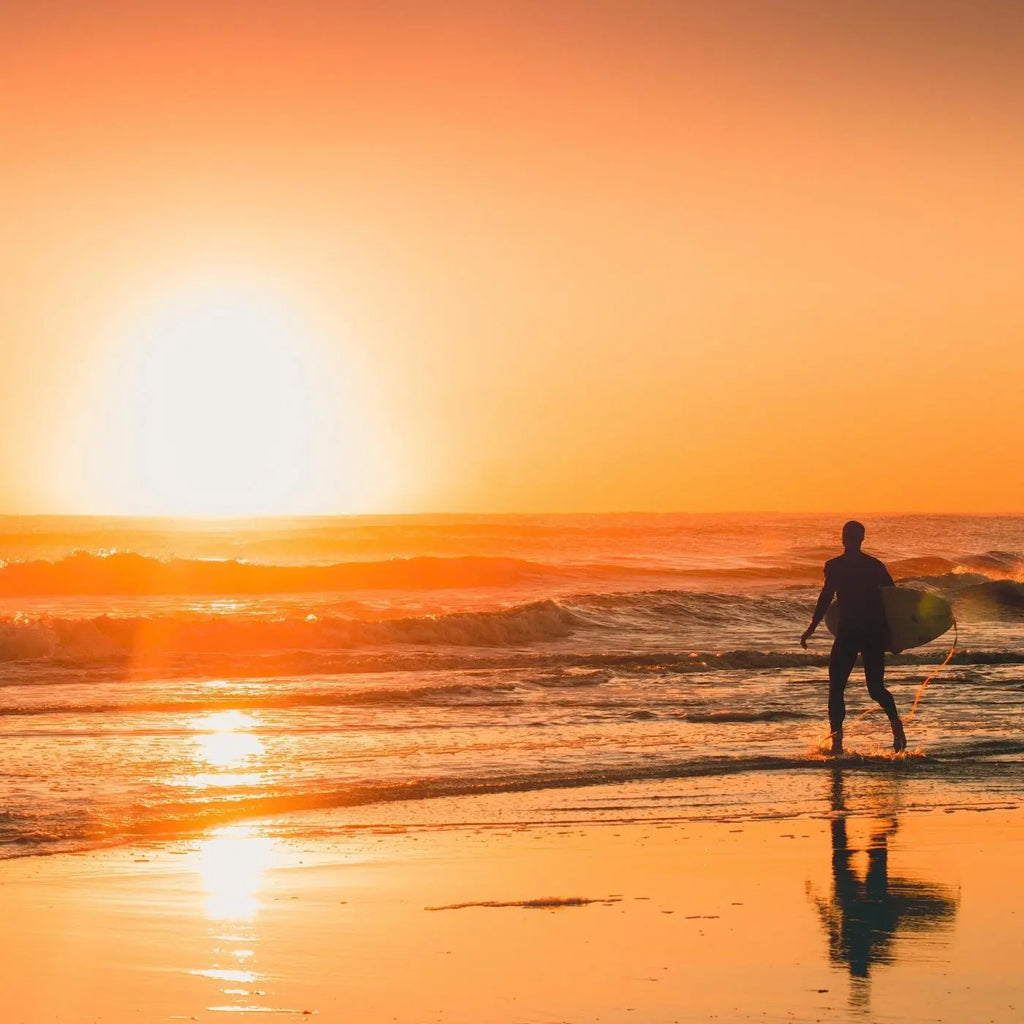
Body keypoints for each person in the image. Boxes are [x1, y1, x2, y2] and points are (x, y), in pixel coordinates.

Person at [800, 521, 906, 755]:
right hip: (872, 632)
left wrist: (811, 628)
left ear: (843, 538)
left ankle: (837, 742)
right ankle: (895, 726)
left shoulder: (835, 566)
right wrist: (895, 637)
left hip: (850, 632)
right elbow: (894, 600)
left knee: (837, 688)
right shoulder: (874, 566)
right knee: (875, 688)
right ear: (862, 538)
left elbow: (826, 598)